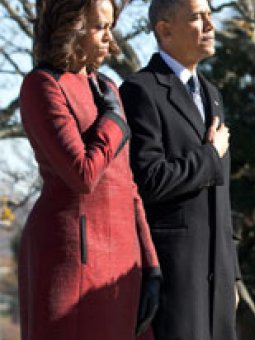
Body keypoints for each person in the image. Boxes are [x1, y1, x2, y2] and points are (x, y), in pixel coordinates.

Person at [18, 0, 161, 339]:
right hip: (70, 258)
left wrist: (150, 263)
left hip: (124, 261)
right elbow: (81, 173)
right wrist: (112, 122)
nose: (109, 39)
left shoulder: (107, 87)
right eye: (100, 27)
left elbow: (129, 187)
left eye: (111, 27)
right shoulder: (42, 85)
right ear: (72, 27)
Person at [118, 0, 240, 339]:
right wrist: (210, 156)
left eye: (210, 16)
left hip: (219, 272)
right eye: (197, 18)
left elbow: (222, 196)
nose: (210, 26)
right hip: (177, 274)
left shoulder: (212, 94)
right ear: (165, 29)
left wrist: (234, 275)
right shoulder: (140, 90)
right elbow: (149, 180)